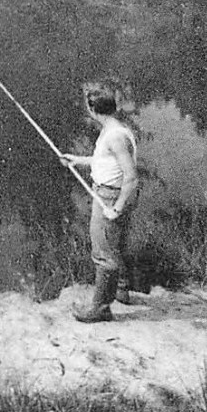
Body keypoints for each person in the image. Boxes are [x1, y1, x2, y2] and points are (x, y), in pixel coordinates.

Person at [59, 86, 140, 323]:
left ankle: (101, 309)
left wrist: (116, 208)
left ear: (92, 110)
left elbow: (131, 176)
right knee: (116, 244)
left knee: (103, 252)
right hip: (114, 194)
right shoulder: (116, 129)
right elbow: (106, 161)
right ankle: (121, 290)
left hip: (111, 197)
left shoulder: (114, 136)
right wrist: (78, 160)